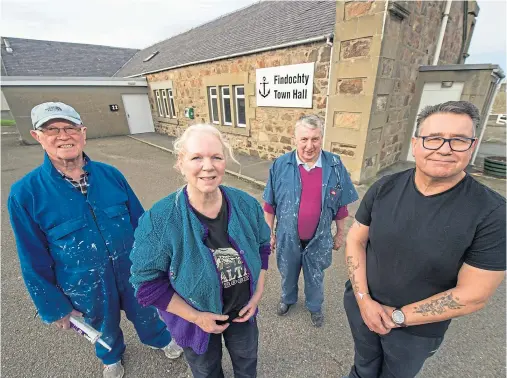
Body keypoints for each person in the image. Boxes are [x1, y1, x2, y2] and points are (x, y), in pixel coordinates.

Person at [8, 102, 183, 378]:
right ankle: (110, 356)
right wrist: (54, 307)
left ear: (83, 132)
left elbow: (142, 224)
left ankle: (159, 339)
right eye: (52, 129)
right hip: (84, 283)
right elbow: (32, 258)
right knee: (102, 326)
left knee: (147, 311)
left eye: (70, 128)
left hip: (133, 271)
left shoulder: (111, 175)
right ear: (37, 136)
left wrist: (162, 265)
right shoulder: (25, 194)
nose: (63, 136)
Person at [343, 101, 506, 378]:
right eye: (434, 138)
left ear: (473, 145)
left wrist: (398, 317)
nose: (445, 148)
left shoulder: (492, 213)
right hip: (362, 306)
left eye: (458, 140)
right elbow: (356, 240)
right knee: (363, 366)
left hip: (417, 331)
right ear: (416, 143)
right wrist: (363, 300)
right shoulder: (384, 187)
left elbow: (474, 295)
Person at [129, 124, 271, 378]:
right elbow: (146, 284)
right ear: (180, 164)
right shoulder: (160, 220)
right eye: (197, 157)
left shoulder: (246, 204)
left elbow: (262, 246)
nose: (208, 166)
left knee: (247, 362)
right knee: (206, 371)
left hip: (242, 312)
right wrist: (196, 317)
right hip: (195, 322)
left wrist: (257, 292)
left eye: (216, 157)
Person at [263, 115, 358, 327]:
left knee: (315, 275)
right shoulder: (280, 165)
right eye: (304, 139)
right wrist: (268, 233)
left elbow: (341, 204)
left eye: (315, 139)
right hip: (287, 235)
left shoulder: (334, 165)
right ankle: (287, 299)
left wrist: (340, 233)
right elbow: (270, 204)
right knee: (287, 270)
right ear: (295, 139)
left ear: (321, 138)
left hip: (320, 236)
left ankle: (315, 307)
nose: (309, 145)